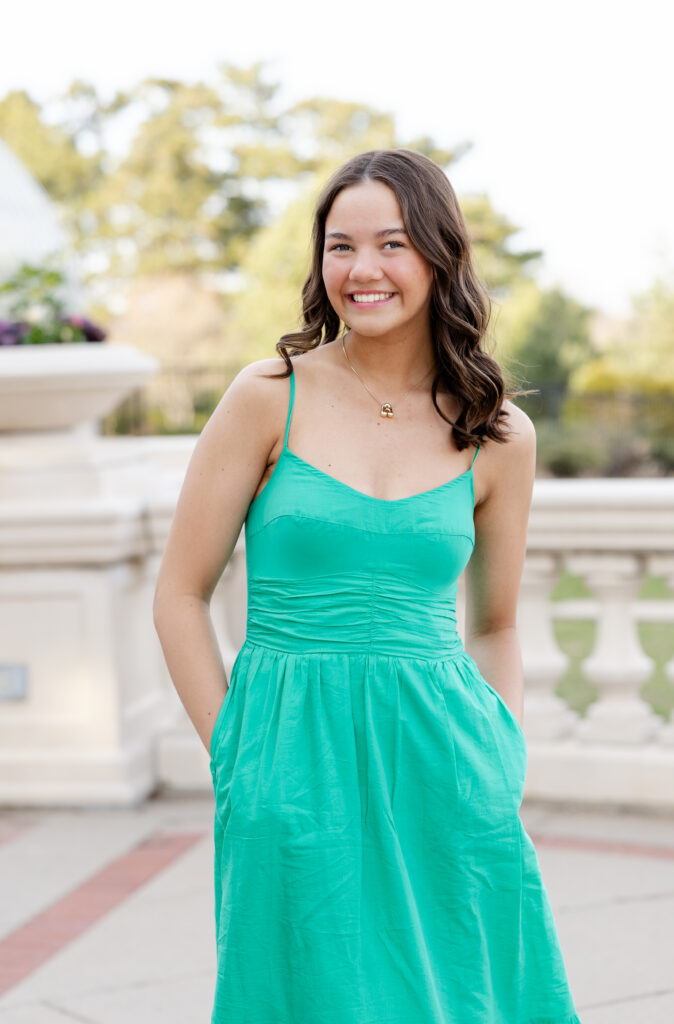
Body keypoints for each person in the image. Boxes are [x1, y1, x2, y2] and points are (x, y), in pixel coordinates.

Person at [153, 148, 581, 1024]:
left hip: (447, 766)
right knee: (305, 993)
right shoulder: (267, 395)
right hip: (287, 756)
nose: (363, 270)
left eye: (391, 243)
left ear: (438, 254)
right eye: (340, 246)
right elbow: (180, 595)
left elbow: (495, 624)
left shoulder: (499, 433)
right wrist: (235, 754)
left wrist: (500, 761)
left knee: (467, 994)